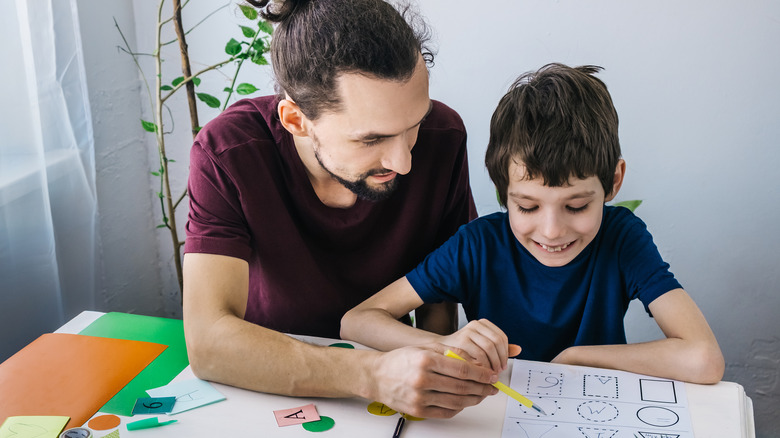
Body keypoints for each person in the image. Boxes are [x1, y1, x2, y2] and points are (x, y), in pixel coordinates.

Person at [182, 0, 501, 419]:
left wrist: (437, 374)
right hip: (268, 387)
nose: (403, 161)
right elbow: (208, 341)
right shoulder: (228, 152)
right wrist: (371, 374)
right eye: (371, 140)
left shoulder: (444, 136)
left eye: (413, 125)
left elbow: (438, 292)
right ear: (295, 119)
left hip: (391, 394)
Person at [341, 63, 725, 384]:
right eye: (527, 207)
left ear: (613, 182)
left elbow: (704, 358)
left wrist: (578, 358)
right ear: (502, 191)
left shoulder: (622, 238)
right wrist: (448, 345)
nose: (552, 230)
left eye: (576, 206)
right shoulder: (477, 246)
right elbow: (357, 322)